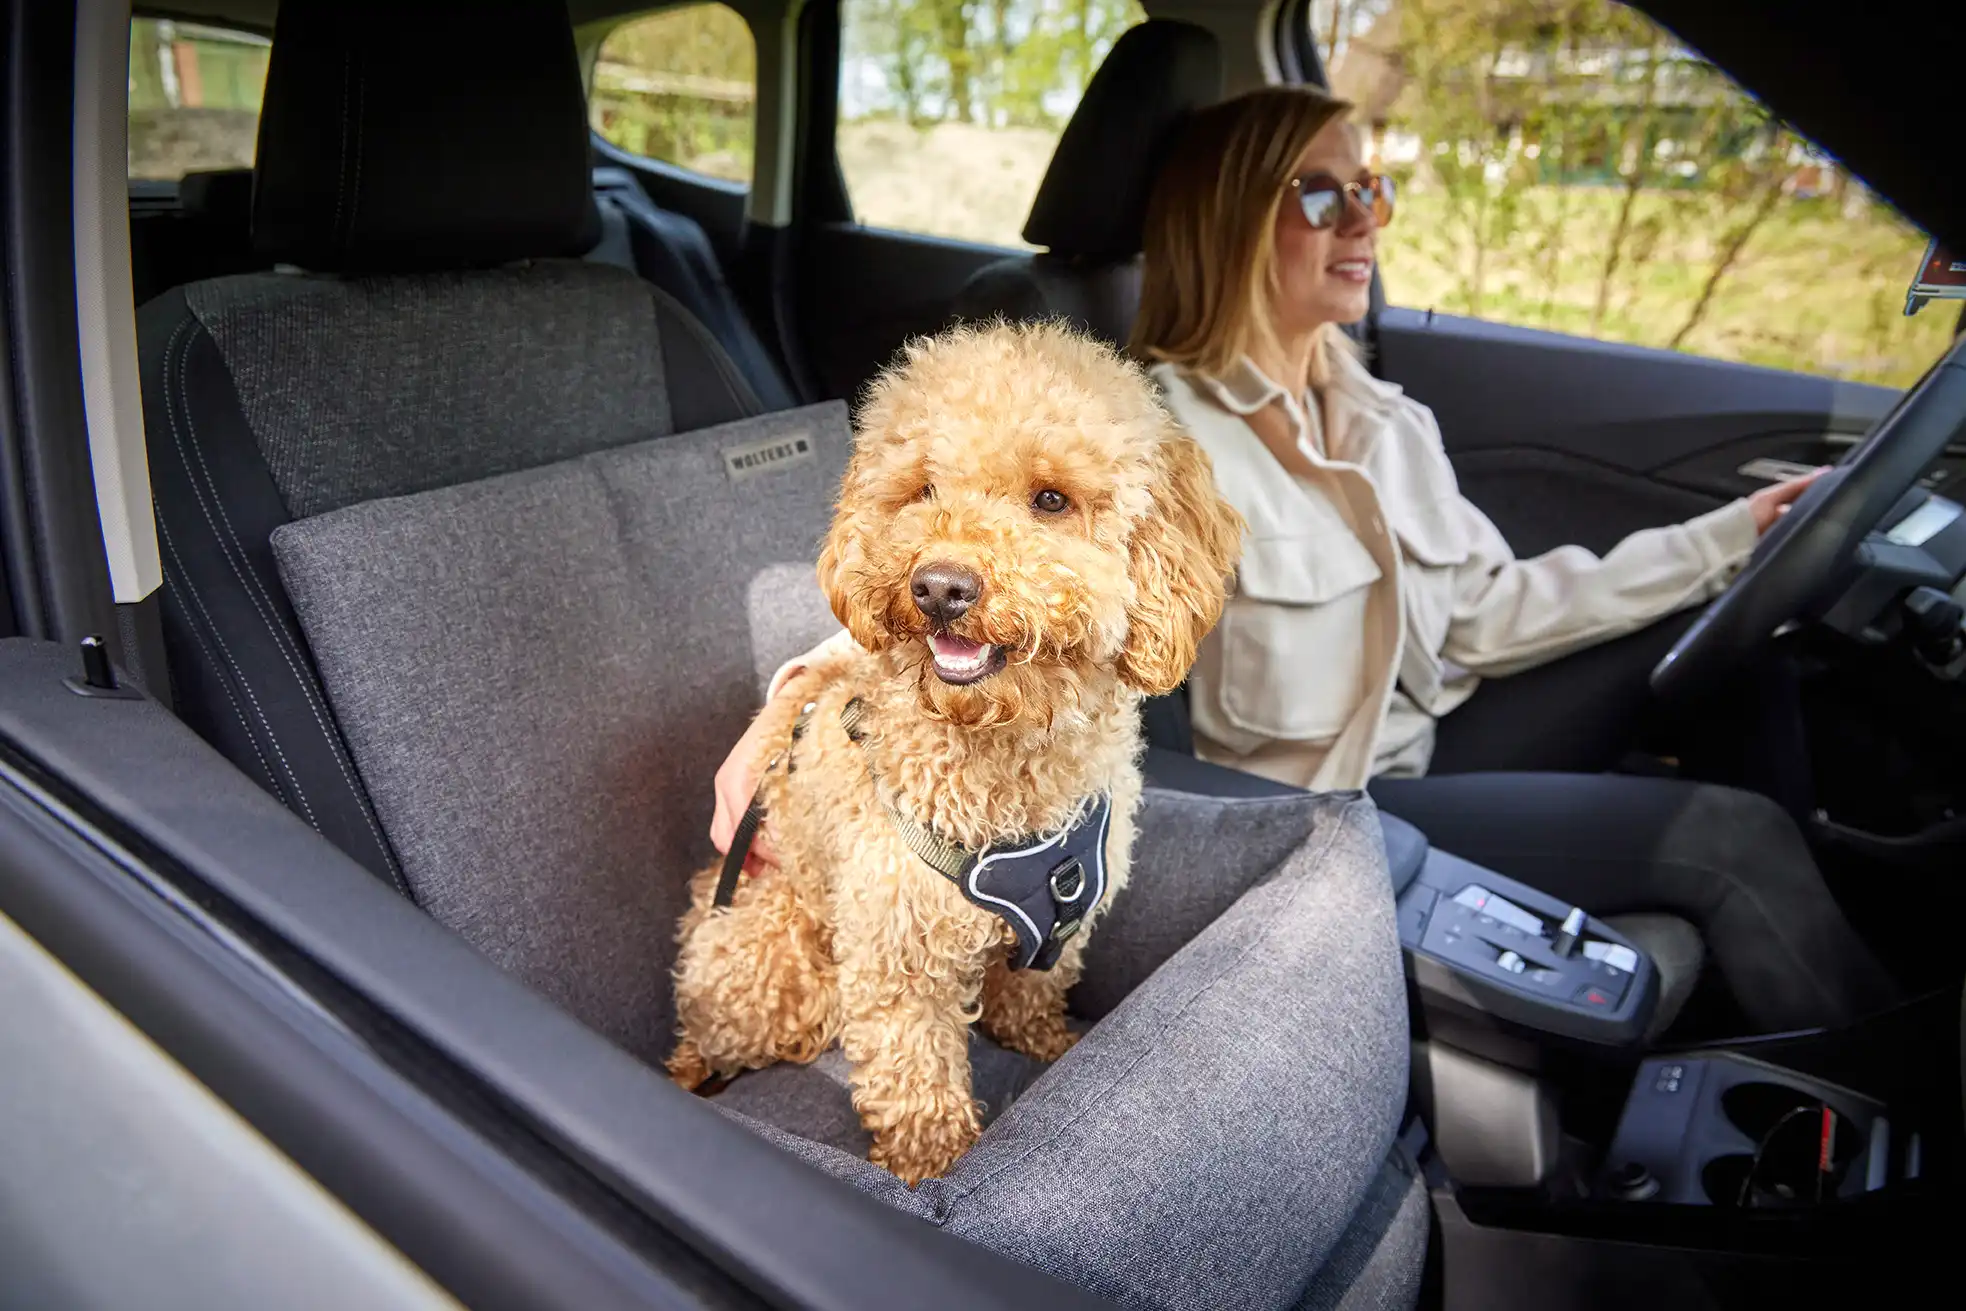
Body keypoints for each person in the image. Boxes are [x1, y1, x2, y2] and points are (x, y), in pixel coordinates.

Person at [712, 86, 1898, 1035]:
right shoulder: (1148, 431)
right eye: (1321, 195)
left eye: (1369, 188)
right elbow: (985, 568)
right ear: (1230, 223)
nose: (1365, 219)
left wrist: (1730, 543)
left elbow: (1483, 612)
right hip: (1321, 804)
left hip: (1423, 724)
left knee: (1753, 674)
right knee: (1723, 837)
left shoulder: (1383, 414)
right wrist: (805, 692)